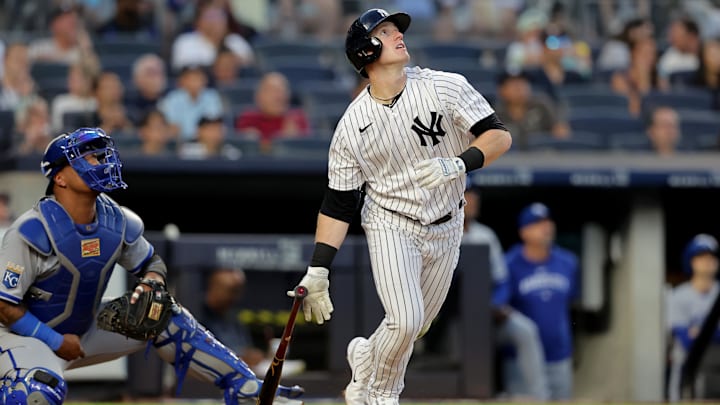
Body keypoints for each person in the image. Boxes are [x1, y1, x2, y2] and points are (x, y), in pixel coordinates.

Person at [287, 8, 512, 405]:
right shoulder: (352, 126)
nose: (397, 35)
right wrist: (318, 268)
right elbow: (339, 203)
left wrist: (460, 162)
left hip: (447, 220)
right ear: (365, 52)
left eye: (396, 30)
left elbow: (498, 136)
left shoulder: (444, 87)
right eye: (385, 31)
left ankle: (365, 355)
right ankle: (381, 395)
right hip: (392, 221)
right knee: (405, 320)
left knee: (415, 327)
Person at [0, 127, 303, 404]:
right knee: (33, 393)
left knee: (161, 311)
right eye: (87, 158)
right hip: (22, 337)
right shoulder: (32, 230)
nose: (99, 163)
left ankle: (248, 389)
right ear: (60, 177)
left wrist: (152, 281)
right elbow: (4, 306)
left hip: (81, 328)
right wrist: (55, 341)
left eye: (97, 156)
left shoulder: (115, 220)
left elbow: (151, 262)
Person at [462, 187, 548, 400]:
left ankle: (540, 397)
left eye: (474, 196)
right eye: (466, 195)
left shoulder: (486, 235)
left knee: (525, 330)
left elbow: (501, 281)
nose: (472, 200)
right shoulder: (433, 231)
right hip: (444, 318)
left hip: (484, 314)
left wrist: (496, 305)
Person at [504, 202, 579, 401]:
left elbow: (573, 302)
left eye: (547, 221)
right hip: (521, 361)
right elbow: (500, 307)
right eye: (537, 223)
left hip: (559, 358)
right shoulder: (509, 263)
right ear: (523, 232)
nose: (546, 227)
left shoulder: (568, 262)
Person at [667, 233, 720, 402]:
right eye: (701, 256)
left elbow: (697, 337)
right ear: (691, 261)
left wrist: (699, 331)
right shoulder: (679, 295)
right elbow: (686, 340)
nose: (708, 261)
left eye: (712, 257)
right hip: (687, 371)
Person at [234, 72, 310, 153]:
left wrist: (292, 141)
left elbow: (306, 150)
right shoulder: (249, 117)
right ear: (259, 96)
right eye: (273, 91)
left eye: (283, 91)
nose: (279, 96)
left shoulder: (297, 118)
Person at [493, 70, 569, 150]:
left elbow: (560, 130)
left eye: (523, 84)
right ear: (501, 90)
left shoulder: (541, 105)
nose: (519, 88)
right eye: (514, 85)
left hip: (541, 155)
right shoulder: (495, 113)